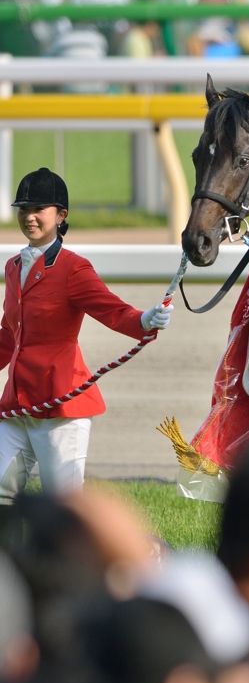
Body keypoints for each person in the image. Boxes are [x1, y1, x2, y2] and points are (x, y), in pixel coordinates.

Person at [0, 168, 172, 510]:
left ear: (61, 215)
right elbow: (9, 334)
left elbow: (113, 311)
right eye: (23, 209)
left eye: (39, 209)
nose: (29, 217)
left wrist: (144, 320)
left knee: (63, 511)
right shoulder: (13, 266)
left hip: (62, 406)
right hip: (18, 404)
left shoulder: (74, 268)